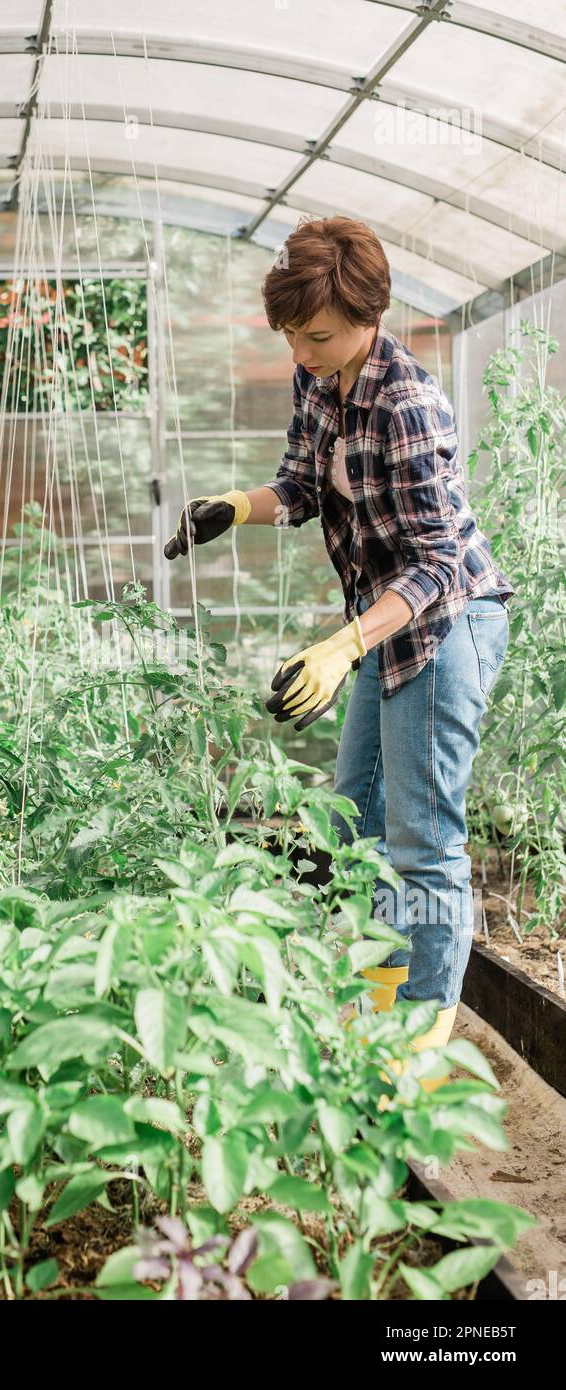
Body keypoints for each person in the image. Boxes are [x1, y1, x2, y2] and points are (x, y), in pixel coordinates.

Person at [164, 216, 515, 1092]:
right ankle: (383, 984)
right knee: (354, 817)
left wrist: (339, 647)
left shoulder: (407, 402)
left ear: (370, 313)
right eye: (289, 331)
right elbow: (300, 483)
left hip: (447, 623)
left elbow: (438, 564)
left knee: (424, 836)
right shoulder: (320, 377)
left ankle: (428, 1026)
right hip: (381, 626)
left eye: (317, 333)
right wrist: (235, 507)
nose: (302, 348)